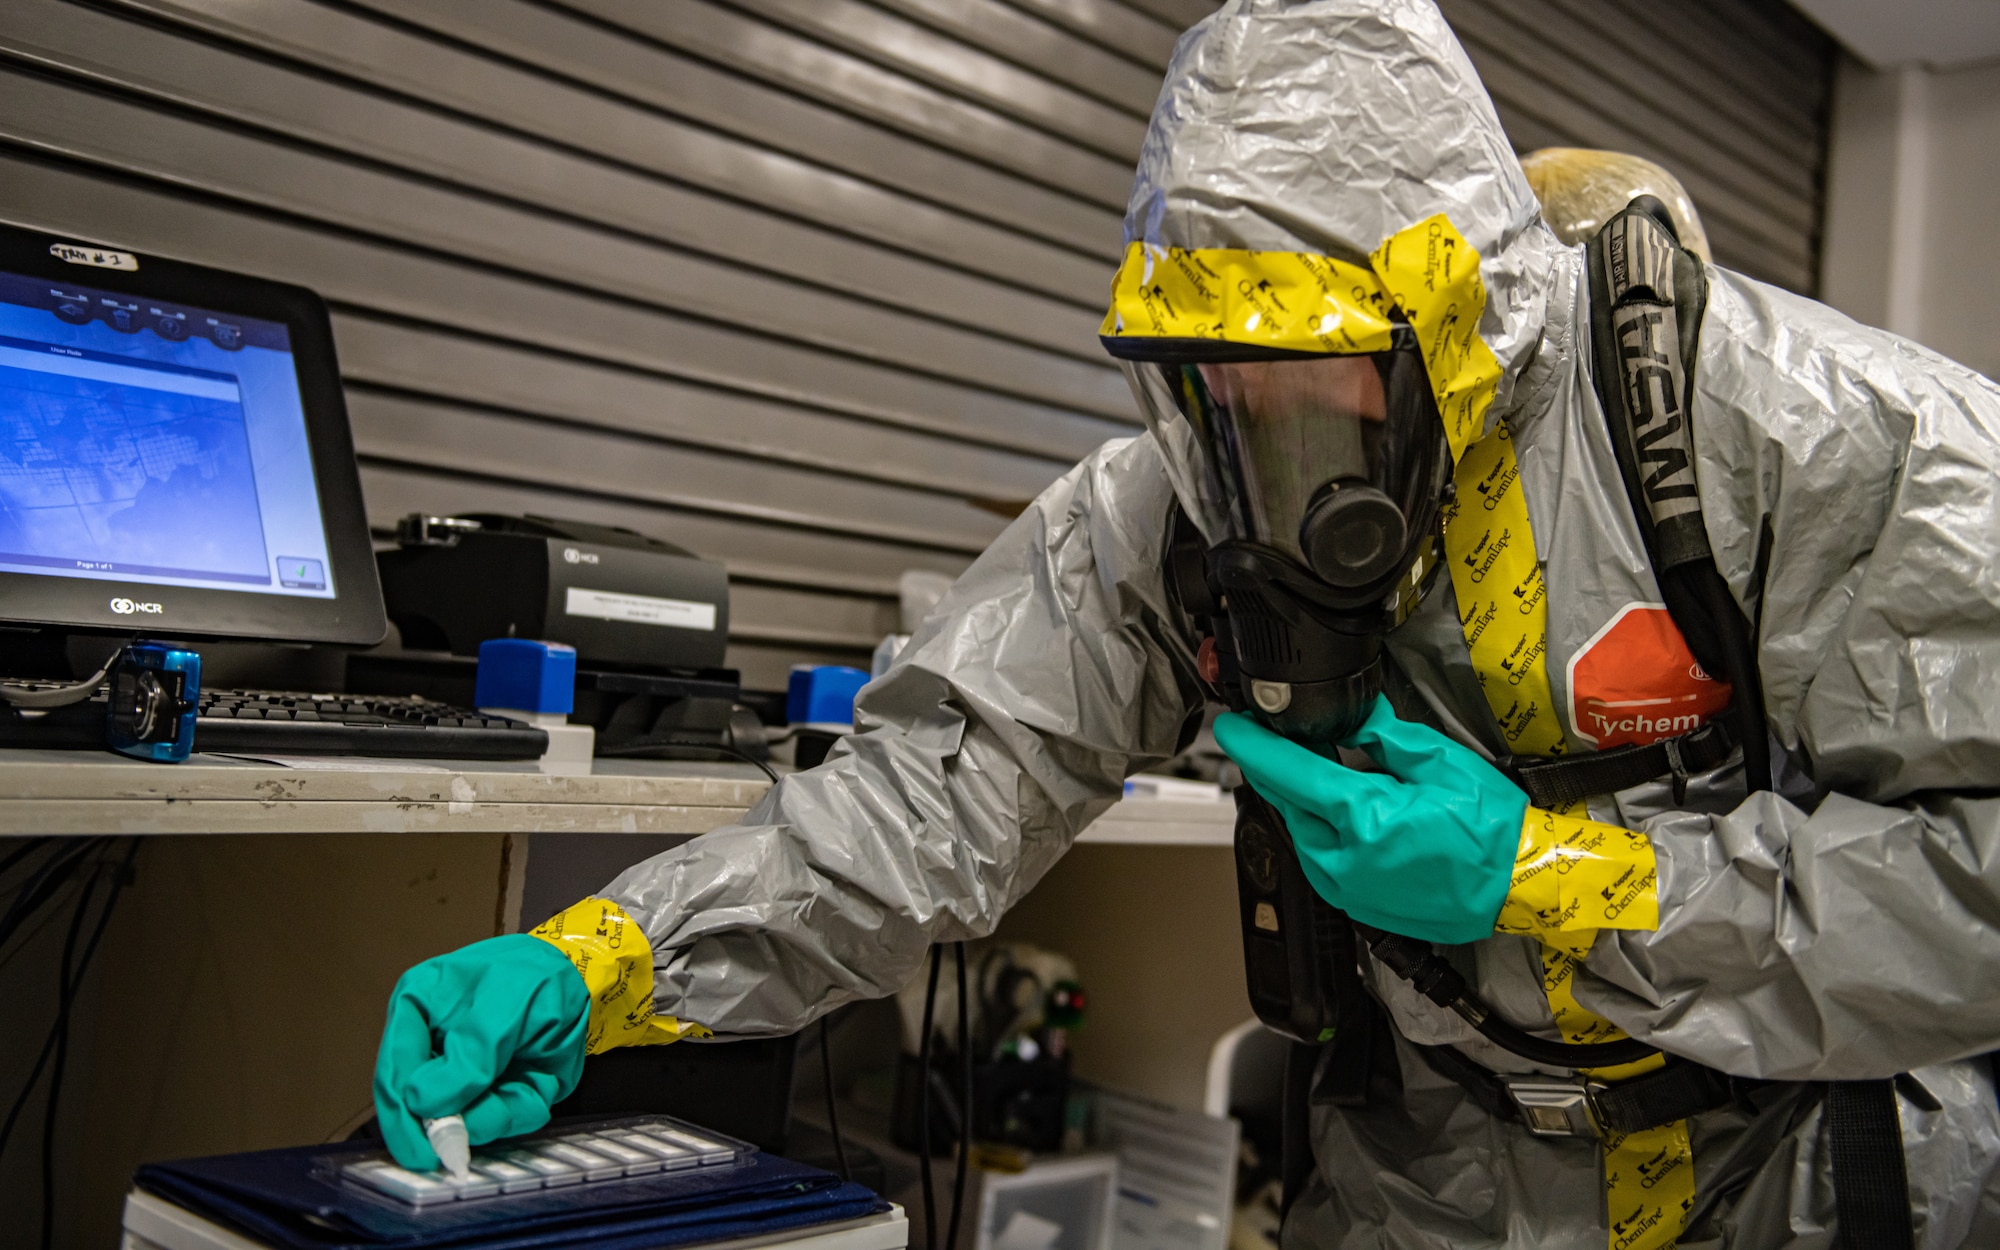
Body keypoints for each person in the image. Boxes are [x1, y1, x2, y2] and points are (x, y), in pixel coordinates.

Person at [372, 1, 2000, 1245]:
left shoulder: (1808, 442)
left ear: (1455, 321)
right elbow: (922, 799)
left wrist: (1561, 878)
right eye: (1208, 386)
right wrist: (600, 961)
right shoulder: (1182, 499)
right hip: (1425, 1177)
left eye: (1307, 383)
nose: (1253, 447)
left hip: (1802, 1170)